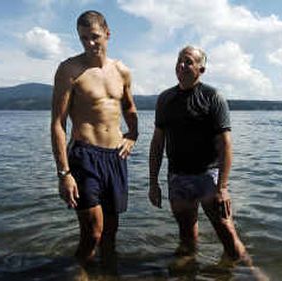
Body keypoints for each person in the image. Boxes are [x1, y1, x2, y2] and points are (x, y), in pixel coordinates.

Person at [51, 10, 138, 267]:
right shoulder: (69, 69)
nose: (89, 44)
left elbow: (130, 109)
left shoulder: (122, 71)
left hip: (115, 157)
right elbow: (57, 123)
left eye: (94, 37)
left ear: (108, 34)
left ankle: (108, 273)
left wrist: (132, 135)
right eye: (83, 38)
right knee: (93, 233)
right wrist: (64, 173)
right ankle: (81, 274)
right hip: (84, 156)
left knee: (111, 234)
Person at [148, 45, 249, 262]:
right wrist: (153, 182)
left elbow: (225, 146)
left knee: (227, 232)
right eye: (179, 61)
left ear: (201, 69)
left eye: (188, 62)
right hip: (178, 177)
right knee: (186, 237)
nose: (181, 66)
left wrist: (222, 188)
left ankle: (250, 271)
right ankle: (188, 272)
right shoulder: (165, 99)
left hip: (208, 177)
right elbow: (157, 143)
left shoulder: (213, 97)